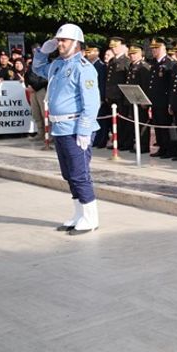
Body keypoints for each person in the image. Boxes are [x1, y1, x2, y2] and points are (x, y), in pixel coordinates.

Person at [33, 24, 102, 236]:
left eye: (64, 40)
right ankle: (79, 213)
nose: (60, 43)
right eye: (58, 40)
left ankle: (90, 218)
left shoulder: (84, 67)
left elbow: (92, 103)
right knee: (68, 174)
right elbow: (38, 70)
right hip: (61, 128)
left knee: (79, 174)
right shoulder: (57, 65)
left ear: (76, 42)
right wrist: (42, 52)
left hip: (75, 128)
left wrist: (83, 130)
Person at [148, 40, 175, 158]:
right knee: (158, 126)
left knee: (164, 126)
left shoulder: (169, 63)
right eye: (153, 48)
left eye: (157, 48)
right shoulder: (154, 64)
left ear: (163, 48)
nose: (154, 50)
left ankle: (169, 149)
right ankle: (162, 147)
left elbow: (170, 85)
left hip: (163, 101)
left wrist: (170, 103)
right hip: (155, 101)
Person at [123, 46, 152, 153]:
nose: (132, 55)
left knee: (142, 123)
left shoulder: (143, 66)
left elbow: (145, 85)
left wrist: (144, 101)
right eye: (130, 54)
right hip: (132, 98)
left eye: (135, 53)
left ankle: (144, 146)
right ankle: (137, 143)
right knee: (135, 122)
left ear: (141, 54)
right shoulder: (132, 65)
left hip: (141, 100)